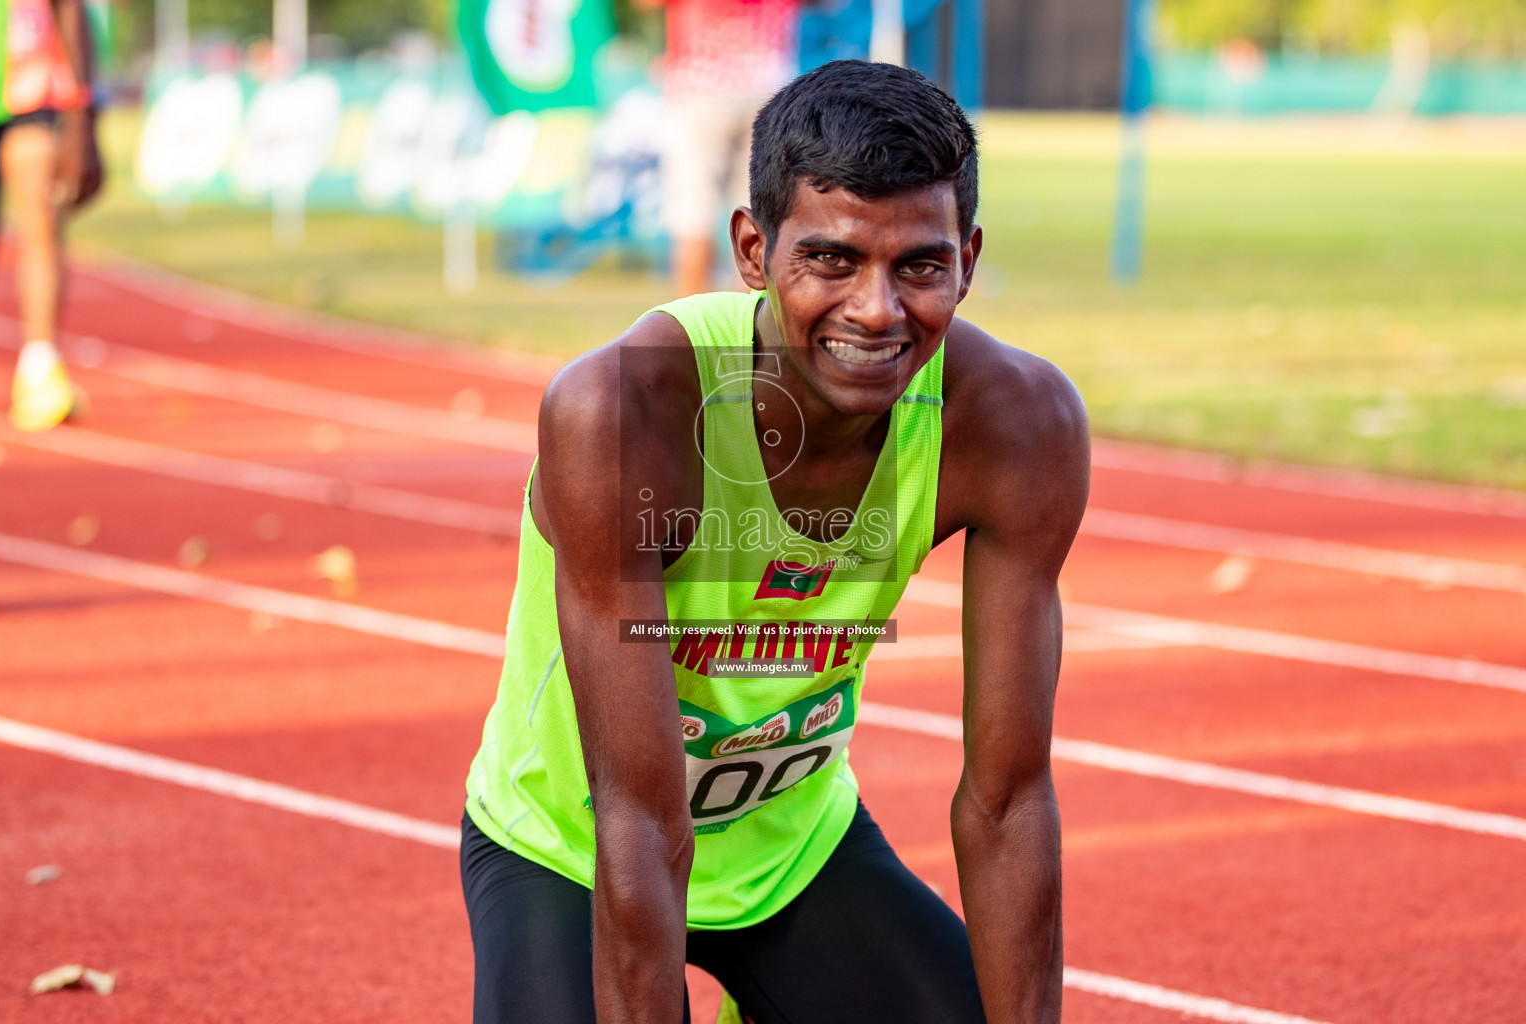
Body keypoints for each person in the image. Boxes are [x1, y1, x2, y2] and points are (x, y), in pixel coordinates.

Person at [462, 60, 1089, 1024]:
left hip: (793, 847)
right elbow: (638, 819)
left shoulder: (1015, 424)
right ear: (754, 250)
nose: (878, 311)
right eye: (832, 260)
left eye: (919, 264)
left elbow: (1007, 803)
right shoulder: (625, 414)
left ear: (966, 258)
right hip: (574, 845)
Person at [642, 0, 799, 296]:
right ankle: (746, 330)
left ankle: (690, 331)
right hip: (768, 87)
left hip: (701, 86)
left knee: (693, 213)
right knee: (758, 218)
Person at [0, 0, 104, 433]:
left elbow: (70, 7)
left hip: (29, 82)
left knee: (40, 222)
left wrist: (83, 113)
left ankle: (39, 368)